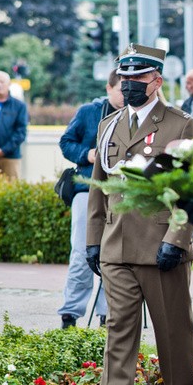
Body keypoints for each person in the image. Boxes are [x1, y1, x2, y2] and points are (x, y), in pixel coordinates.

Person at [86, 44, 193, 385]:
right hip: (117, 244)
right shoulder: (109, 125)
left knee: (172, 329)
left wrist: (179, 237)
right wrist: (92, 238)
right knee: (119, 326)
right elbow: (98, 188)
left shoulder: (181, 125)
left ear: (156, 80)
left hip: (161, 244)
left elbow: (192, 188)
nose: (129, 84)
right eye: (124, 78)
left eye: (138, 78)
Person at [57, 69, 123, 329]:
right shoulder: (88, 111)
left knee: (114, 255)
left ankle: (107, 314)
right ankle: (70, 314)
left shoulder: (134, 115)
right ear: (108, 88)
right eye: (121, 89)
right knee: (82, 252)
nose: (126, 94)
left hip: (119, 193)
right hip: (86, 190)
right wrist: (87, 154)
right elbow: (65, 142)